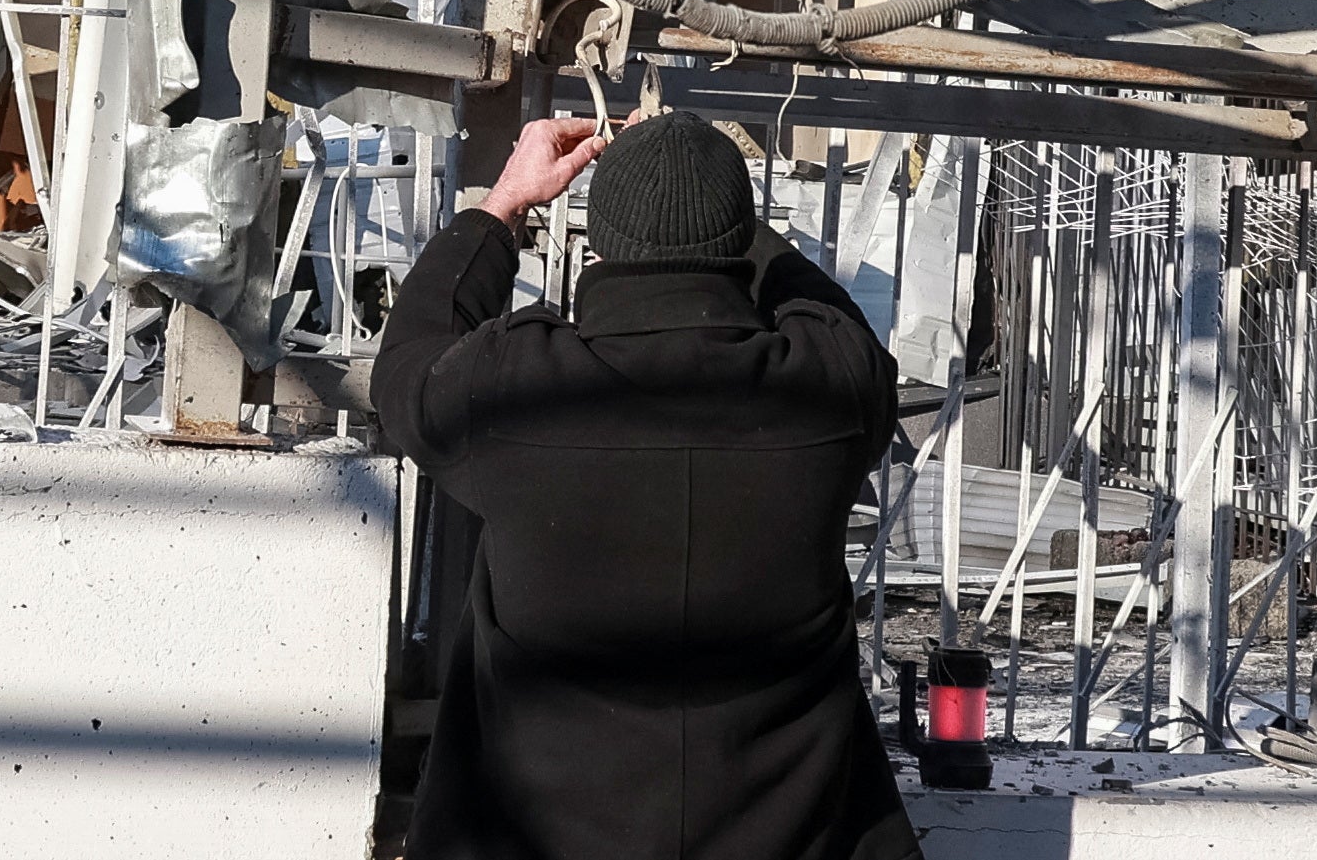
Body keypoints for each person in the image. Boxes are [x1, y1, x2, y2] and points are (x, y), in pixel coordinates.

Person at [374, 110, 919, 860]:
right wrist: (716, 207)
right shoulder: (828, 389)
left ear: (599, 244)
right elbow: (833, 317)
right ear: (738, 240)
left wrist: (504, 204)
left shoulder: (517, 391)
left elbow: (408, 359)